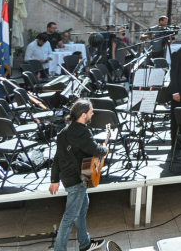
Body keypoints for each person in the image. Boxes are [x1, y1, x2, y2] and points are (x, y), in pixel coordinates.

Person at [49, 100, 106, 251]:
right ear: (83, 114)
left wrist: (54, 179)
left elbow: (57, 158)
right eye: (90, 112)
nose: (92, 113)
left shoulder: (64, 132)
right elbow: (96, 150)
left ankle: (85, 243)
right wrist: (104, 149)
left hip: (68, 178)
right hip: (77, 179)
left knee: (82, 209)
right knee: (69, 217)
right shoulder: (82, 131)